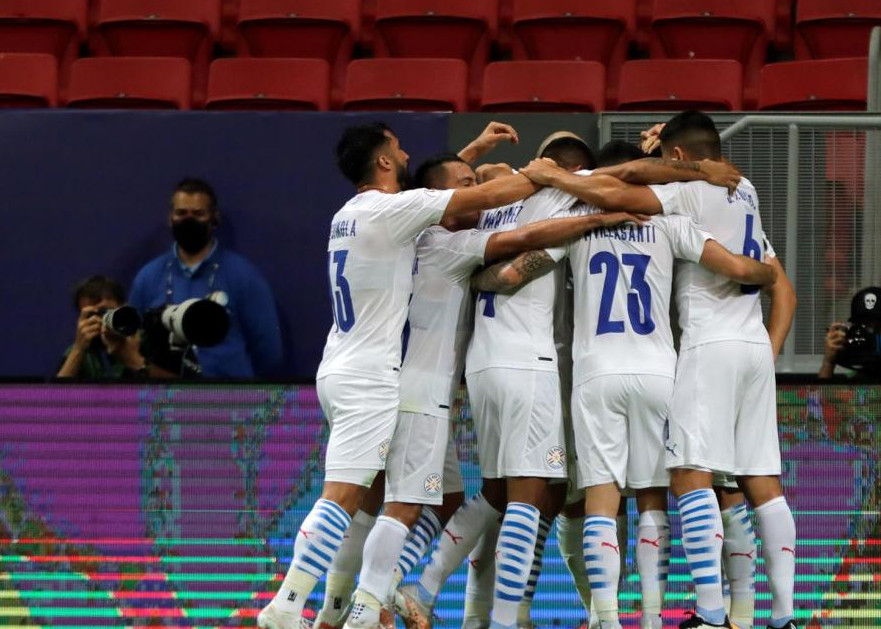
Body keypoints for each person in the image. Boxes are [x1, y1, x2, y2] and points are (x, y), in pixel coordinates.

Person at [311, 149, 645, 629]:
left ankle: (367, 602)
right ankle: (392, 606)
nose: (476, 187)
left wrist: (480, 161)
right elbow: (516, 253)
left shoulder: (421, 230)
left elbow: (461, 189)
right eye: (464, 184)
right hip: (500, 373)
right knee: (507, 499)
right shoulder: (470, 235)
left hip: (447, 377)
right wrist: (591, 209)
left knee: (458, 496)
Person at [257, 122, 554, 629]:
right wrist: (549, 179)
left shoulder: (352, 214)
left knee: (385, 501)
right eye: (398, 150)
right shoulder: (402, 218)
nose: (407, 152)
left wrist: (473, 151)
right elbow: (464, 196)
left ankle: (337, 610)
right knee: (357, 499)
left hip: (341, 365)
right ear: (385, 163)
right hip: (381, 376)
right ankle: (296, 607)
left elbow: (432, 194)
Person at [519, 110, 800, 629]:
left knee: (668, 482)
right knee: (752, 481)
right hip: (734, 349)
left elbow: (619, 189)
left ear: (675, 157)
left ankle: (690, 617)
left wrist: (559, 177)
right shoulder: (745, 191)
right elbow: (758, 274)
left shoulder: (654, 206)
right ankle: (777, 616)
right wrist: (764, 316)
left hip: (661, 356)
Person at [128, 178, 283, 378]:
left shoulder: (243, 276)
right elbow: (132, 343)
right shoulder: (148, 277)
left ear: (214, 218)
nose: (188, 220)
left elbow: (269, 353)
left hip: (229, 399)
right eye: (181, 213)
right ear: (170, 217)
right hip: (166, 399)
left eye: (198, 214)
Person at [56, 276, 169, 379]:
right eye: (92, 315)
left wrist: (135, 360)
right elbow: (55, 399)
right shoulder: (83, 352)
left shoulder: (149, 341)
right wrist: (78, 350)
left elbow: (177, 395)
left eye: (105, 312)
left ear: (124, 307)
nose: (101, 320)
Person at [819, 286, 881, 380]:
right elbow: (821, 394)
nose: (872, 333)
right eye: (864, 326)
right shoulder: (855, 366)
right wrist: (828, 363)